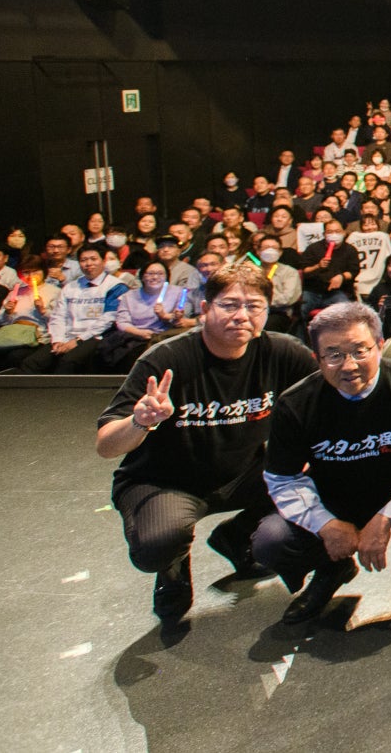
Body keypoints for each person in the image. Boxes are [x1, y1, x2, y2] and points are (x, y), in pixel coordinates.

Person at [94, 263, 318, 625]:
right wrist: (141, 421)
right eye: (229, 305)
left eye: (254, 306)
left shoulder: (283, 352)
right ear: (205, 308)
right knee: (157, 545)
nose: (241, 315)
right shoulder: (166, 359)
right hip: (165, 481)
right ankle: (172, 566)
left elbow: (325, 407)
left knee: (329, 477)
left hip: (242, 473)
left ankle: (238, 536)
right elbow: (106, 445)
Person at [255, 302, 391, 624]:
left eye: (360, 351)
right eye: (334, 355)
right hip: (333, 499)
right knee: (270, 540)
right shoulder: (295, 403)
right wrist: (325, 525)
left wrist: (386, 517)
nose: (349, 365)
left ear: (380, 346)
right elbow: (283, 479)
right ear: (317, 358)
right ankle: (331, 568)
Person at [21, 243, 123, 373]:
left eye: (93, 259)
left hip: (96, 337)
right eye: (84, 260)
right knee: (31, 363)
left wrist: (78, 340)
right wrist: (57, 340)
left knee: (68, 362)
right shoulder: (71, 287)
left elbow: (108, 320)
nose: (88, 263)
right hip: (67, 336)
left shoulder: (115, 286)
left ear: (103, 261)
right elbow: (58, 316)